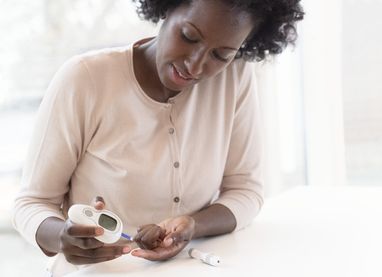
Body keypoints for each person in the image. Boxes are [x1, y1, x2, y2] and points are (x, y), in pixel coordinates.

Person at [12, 0, 304, 275]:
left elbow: (245, 190)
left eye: (220, 55)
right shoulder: (85, 79)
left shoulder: (235, 77)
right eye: (189, 36)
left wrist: (192, 225)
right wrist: (62, 238)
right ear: (166, 8)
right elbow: (31, 204)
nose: (196, 65)